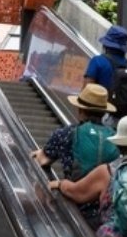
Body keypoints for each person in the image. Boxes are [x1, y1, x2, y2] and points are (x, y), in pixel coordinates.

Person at [30, 83, 117, 228]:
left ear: (80, 109)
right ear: (103, 112)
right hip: (105, 214)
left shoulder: (66, 134)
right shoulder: (115, 137)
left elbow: (42, 161)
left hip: (74, 204)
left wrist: (40, 153)